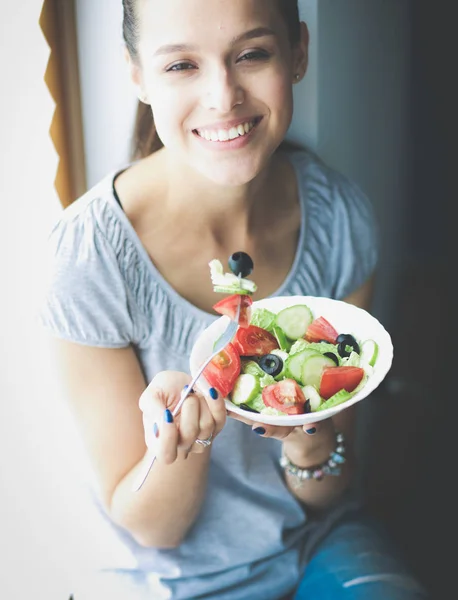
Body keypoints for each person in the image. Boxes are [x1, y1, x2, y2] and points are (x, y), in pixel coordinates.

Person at [40, 1, 429, 599]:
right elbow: (155, 530)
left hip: (313, 543)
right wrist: (188, 436)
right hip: (167, 578)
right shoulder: (88, 257)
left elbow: (328, 487)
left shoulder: (340, 220)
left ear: (297, 52)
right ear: (138, 74)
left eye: (252, 54)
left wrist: (310, 436)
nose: (224, 96)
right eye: (181, 66)